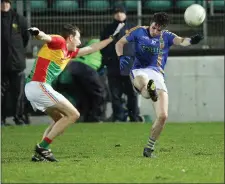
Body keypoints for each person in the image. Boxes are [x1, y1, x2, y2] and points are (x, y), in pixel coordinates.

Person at [26, 23, 124, 162]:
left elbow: (92, 48)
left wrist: (110, 39)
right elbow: (45, 37)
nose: (80, 41)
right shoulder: (59, 41)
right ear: (70, 38)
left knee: (60, 119)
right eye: (78, 38)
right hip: (38, 86)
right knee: (73, 114)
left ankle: (40, 152)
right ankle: (42, 147)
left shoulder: (70, 52)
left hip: (35, 88)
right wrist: (36, 32)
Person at [115, 12, 203, 157]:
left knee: (162, 116)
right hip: (139, 70)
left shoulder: (167, 36)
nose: (155, 31)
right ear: (151, 23)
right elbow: (120, 43)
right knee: (144, 85)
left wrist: (192, 40)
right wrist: (121, 57)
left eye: (159, 30)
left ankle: (149, 148)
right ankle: (150, 89)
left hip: (157, 73)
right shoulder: (138, 31)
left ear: (163, 29)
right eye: (154, 27)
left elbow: (181, 41)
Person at [100, 5, 140, 122]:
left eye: (121, 12)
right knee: (115, 94)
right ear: (113, 14)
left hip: (129, 66)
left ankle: (134, 117)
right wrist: (108, 59)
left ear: (125, 13)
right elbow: (102, 46)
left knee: (132, 93)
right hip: (113, 66)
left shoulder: (133, 28)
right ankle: (118, 117)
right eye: (116, 12)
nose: (119, 14)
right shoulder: (108, 29)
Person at [55, 39, 107, 122]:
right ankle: (96, 118)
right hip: (87, 67)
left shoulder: (93, 41)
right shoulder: (104, 43)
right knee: (100, 93)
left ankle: (87, 118)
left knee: (84, 95)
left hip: (74, 66)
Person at [1, 0, 30, 126]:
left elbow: (25, 38)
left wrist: (17, 53)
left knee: (18, 94)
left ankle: (19, 118)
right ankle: (1, 120)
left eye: (5, 2)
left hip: (16, 63)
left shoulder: (19, 19)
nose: (3, 4)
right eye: (1, 2)